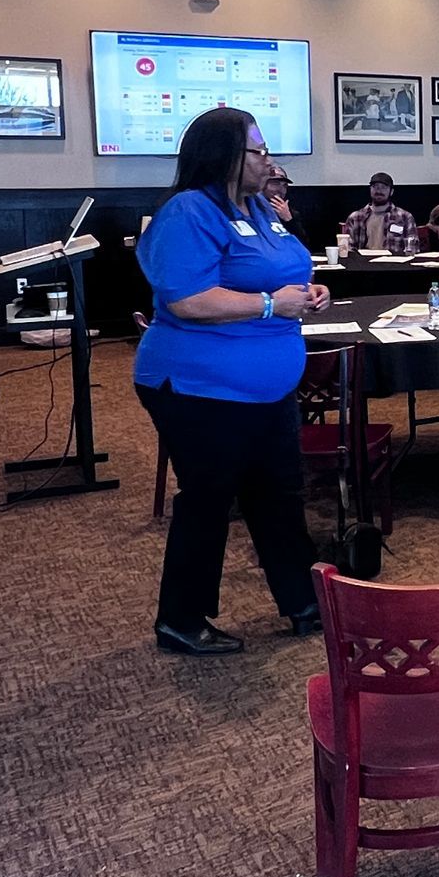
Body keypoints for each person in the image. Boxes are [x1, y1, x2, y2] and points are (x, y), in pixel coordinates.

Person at [133, 107, 331, 656]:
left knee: (280, 496)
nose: (269, 161)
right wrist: (271, 304)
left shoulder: (259, 210)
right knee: (209, 500)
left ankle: (302, 601)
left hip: (267, 390)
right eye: (259, 152)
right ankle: (180, 619)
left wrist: (310, 294)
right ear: (224, 154)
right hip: (199, 387)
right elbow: (188, 299)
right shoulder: (189, 212)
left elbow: (288, 270)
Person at [342, 171, 419, 252]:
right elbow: (348, 249)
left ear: (391, 191)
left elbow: (413, 248)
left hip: (394, 263)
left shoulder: (405, 217)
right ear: (370, 190)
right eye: (375, 187)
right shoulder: (355, 218)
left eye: (384, 187)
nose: (379, 191)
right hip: (363, 262)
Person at [262, 166, 298, 232]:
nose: (281, 190)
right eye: (275, 183)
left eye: (285, 186)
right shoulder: (250, 209)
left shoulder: (290, 212)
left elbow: (301, 240)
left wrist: (288, 220)